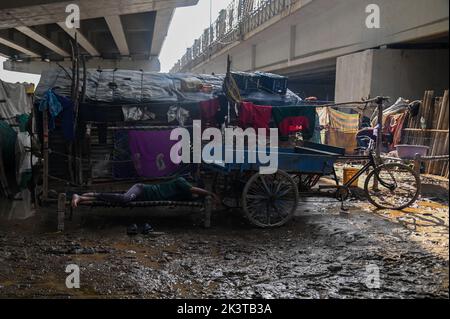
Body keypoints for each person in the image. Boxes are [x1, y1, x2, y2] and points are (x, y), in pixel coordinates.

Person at [71, 177, 219, 208]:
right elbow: (194, 190)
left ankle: (81, 199)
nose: (193, 193)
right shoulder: (181, 181)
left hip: (141, 196)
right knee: (123, 199)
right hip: (141, 188)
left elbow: (195, 198)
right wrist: (210, 194)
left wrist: (208, 199)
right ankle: (80, 196)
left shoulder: (185, 195)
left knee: (118, 201)